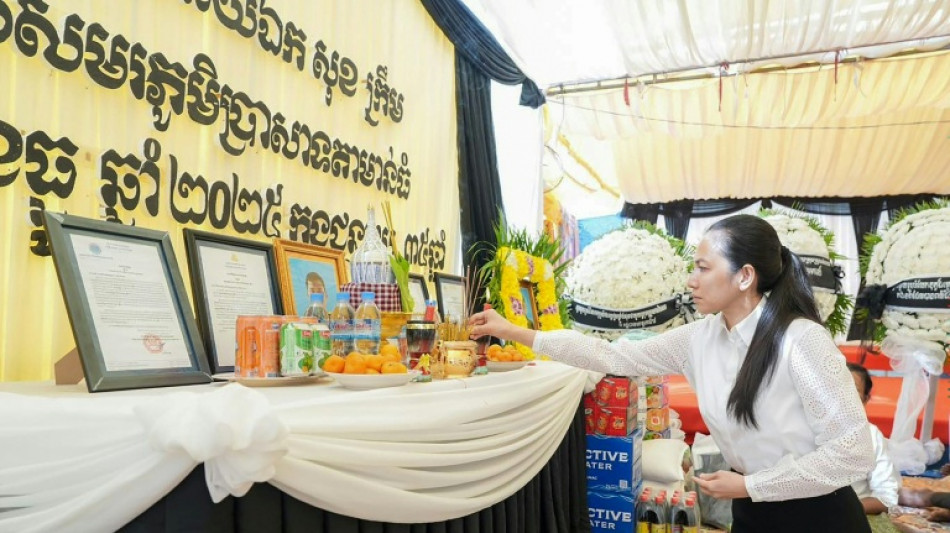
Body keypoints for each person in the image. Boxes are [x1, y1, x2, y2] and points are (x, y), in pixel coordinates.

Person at [469, 214, 875, 533]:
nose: (690, 280)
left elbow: (853, 451)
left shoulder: (800, 340)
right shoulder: (699, 338)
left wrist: (751, 486)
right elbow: (612, 357)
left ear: (745, 276)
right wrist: (514, 331)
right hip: (753, 514)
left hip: (818, 515)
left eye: (702, 267)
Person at [847, 363, 902, 532]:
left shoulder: (870, 435)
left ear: (865, 400)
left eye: (852, 389)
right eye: (834, 386)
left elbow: (887, 497)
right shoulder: (799, 428)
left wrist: (847, 510)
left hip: (851, 514)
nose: (841, 395)